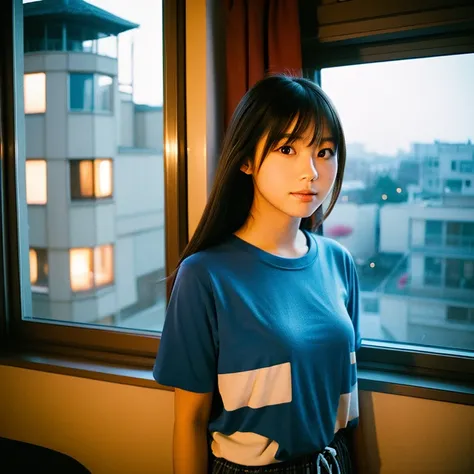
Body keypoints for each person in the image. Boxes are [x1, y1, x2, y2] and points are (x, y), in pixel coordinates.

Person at [153, 74, 362, 474]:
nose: (312, 172)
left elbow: (351, 398)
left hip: (334, 461)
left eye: (325, 151)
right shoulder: (205, 276)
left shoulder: (340, 263)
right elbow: (190, 421)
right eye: (287, 148)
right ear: (246, 159)